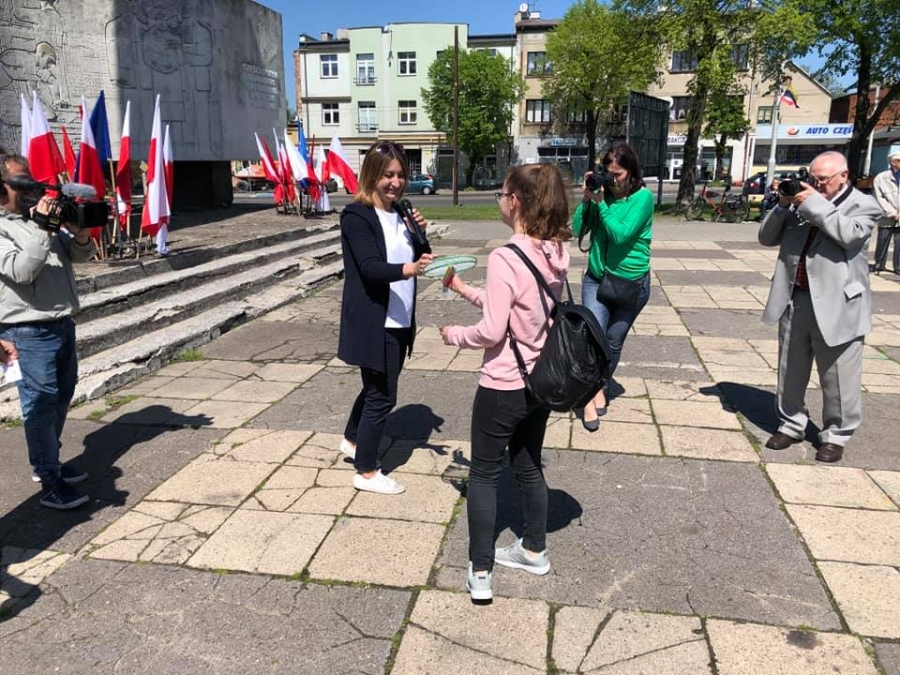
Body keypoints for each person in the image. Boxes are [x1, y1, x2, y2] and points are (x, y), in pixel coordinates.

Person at [440, 163, 571, 601]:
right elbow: (518, 308)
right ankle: (534, 549)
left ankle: (480, 571)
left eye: (501, 194)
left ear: (514, 201)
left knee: (483, 474)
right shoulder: (553, 252)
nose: (499, 200)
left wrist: (455, 335)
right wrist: (464, 289)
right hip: (539, 383)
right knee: (528, 465)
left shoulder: (505, 256)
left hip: (502, 385)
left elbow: (492, 330)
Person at [758, 151, 882, 463]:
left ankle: (836, 435)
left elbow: (850, 235)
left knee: (838, 375)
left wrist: (814, 203)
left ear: (844, 175)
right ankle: (791, 423)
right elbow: (766, 238)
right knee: (790, 368)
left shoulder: (864, 204)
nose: (816, 185)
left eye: (823, 180)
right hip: (796, 297)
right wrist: (783, 205)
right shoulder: (800, 202)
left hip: (839, 303)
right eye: (812, 179)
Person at [336, 141, 433, 495]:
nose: (395, 182)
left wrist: (421, 235)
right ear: (372, 176)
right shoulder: (357, 217)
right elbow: (370, 268)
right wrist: (409, 268)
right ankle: (365, 471)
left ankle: (352, 439)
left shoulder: (401, 213)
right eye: (388, 175)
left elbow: (423, 255)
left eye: (400, 175)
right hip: (375, 321)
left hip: (400, 316)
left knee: (375, 388)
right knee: (382, 397)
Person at [0, 153, 95, 508]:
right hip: (27, 331)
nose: (30, 186)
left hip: (61, 324)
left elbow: (78, 257)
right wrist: (44, 227)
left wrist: (80, 236)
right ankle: (49, 480)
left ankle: (49, 460)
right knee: (39, 406)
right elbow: (22, 271)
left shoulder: (36, 220)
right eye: (21, 180)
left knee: (60, 399)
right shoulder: (5, 227)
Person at [572, 143, 653, 431]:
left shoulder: (643, 198)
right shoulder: (601, 196)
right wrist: (586, 200)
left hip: (630, 283)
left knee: (613, 341)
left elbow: (621, 234)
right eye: (608, 173)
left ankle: (600, 385)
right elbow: (577, 229)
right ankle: (588, 396)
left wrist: (601, 204)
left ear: (632, 172)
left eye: (617, 174)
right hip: (597, 277)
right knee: (592, 339)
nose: (613, 179)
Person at [872, 151, 900, 273]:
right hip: (887, 215)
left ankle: (898, 267)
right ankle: (879, 264)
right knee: (883, 241)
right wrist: (891, 212)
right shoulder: (881, 178)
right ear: (893, 162)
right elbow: (879, 197)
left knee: (899, 243)